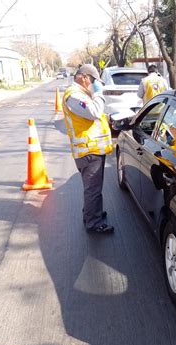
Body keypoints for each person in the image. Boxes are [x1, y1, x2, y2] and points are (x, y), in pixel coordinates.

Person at [62, 64, 114, 234]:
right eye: (93, 81)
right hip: (88, 152)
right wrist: (98, 93)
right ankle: (93, 222)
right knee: (93, 189)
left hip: (93, 150)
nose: (94, 84)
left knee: (94, 188)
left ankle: (92, 213)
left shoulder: (81, 94)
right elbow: (94, 112)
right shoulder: (74, 95)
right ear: (84, 77)